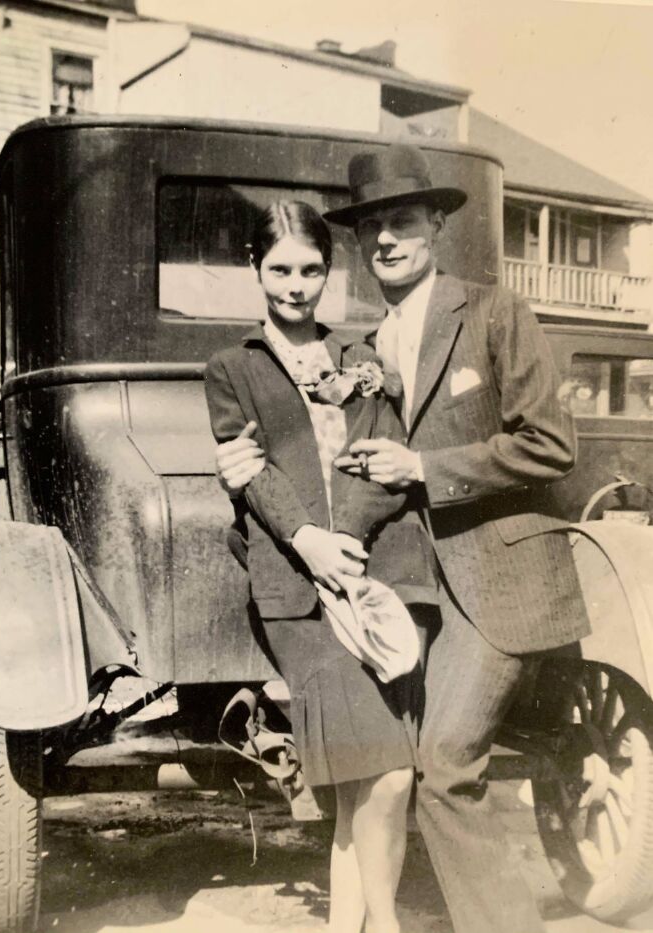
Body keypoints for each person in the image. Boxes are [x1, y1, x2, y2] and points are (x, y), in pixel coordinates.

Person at [215, 146, 591, 933]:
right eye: (373, 226)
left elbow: (553, 444)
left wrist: (423, 464)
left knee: (444, 764)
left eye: (404, 221)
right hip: (415, 595)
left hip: (502, 580)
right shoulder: (368, 350)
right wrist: (293, 520)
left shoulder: (493, 311)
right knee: (399, 769)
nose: (387, 239)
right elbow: (352, 465)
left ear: (437, 225)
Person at [204, 200, 431, 933]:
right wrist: (308, 539)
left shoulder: (362, 357)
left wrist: (347, 541)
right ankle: (387, 924)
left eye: (310, 269)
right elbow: (252, 471)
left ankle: (348, 926)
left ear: (329, 273)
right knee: (386, 769)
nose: (295, 284)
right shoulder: (229, 368)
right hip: (295, 597)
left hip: (365, 580)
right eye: (279, 269)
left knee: (369, 780)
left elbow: (380, 462)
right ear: (255, 268)